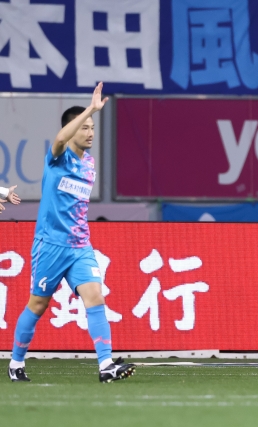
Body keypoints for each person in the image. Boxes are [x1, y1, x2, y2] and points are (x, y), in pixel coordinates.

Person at [8, 83, 135, 383]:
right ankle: (15, 363)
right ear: (73, 128)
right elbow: (59, 139)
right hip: (50, 245)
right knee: (38, 304)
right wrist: (90, 108)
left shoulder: (89, 164)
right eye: (85, 127)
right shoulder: (57, 158)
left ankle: (106, 365)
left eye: (92, 128)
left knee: (95, 297)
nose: (90, 133)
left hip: (80, 246)